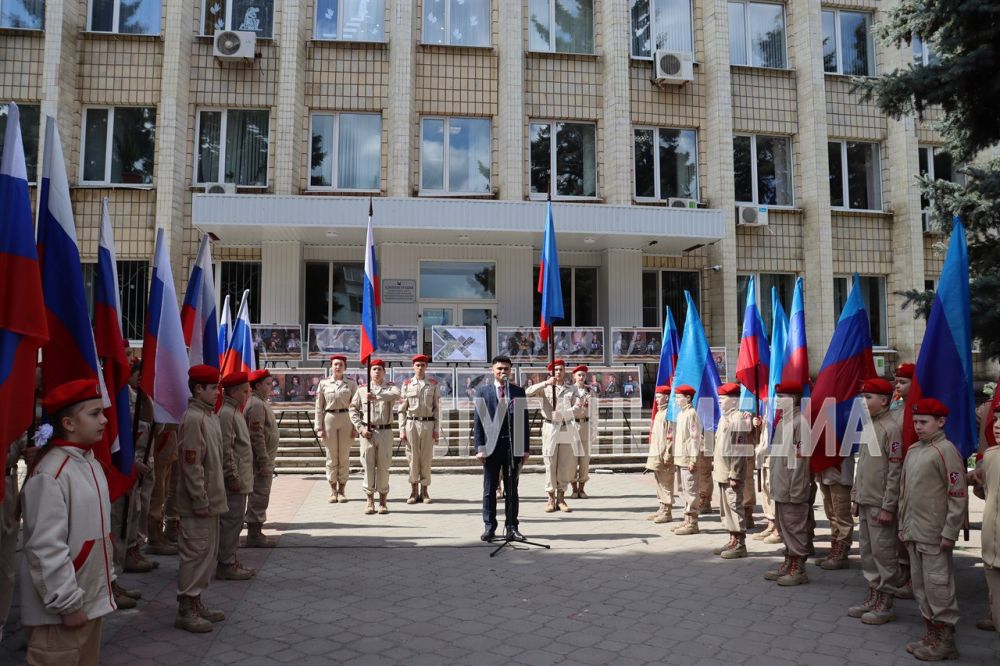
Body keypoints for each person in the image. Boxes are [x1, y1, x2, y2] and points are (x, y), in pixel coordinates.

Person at [20, 380, 115, 664]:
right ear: (69, 424)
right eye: (95, 413)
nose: (104, 419)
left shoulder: (89, 462)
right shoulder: (51, 473)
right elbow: (45, 547)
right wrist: (67, 602)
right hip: (61, 612)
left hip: (89, 600)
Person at [899, 398, 966, 661]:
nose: (918, 426)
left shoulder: (946, 450)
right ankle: (931, 634)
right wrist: (903, 525)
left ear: (940, 422)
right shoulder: (914, 450)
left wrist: (950, 531)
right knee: (921, 587)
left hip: (935, 535)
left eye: (924, 422)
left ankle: (946, 641)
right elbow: (904, 493)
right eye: (915, 421)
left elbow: (957, 494)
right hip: (914, 531)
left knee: (938, 587)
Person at [174, 364, 228, 633]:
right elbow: (191, 464)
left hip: (211, 500)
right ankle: (186, 609)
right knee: (195, 554)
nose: (217, 392)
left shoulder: (209, 416)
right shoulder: (194, 418)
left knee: (206, 554)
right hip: (198, 503)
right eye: (212, 388)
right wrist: (199, 498)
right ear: (198, 389)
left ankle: (196, 601)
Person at [848, 378, 905, 624]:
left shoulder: (891, 428)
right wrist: (855, 495)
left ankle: (886, 602)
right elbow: (862, 465)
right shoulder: (869, 425)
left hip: (880, 502)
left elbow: (895, 470)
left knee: (884, 553)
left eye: (868, 397)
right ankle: (873, 594)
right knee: (867, 552)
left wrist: (888, 505)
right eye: (862, 397)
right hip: (865, 499)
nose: (863, 401)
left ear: (884, 400)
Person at [474, 356, 531, 542]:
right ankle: (489, 527)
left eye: (506, 369)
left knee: (512, 489)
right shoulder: (483, 392)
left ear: (510, 371)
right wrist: (479, 448)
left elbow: (523, 420)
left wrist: (524, 448)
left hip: (512, 446)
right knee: (489, 489)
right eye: (499, 368)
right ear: (493, 370)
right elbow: (478, 422)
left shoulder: (517, 391)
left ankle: (512, 527)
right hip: (490, 447)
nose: (502, 372)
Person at [765, 381, 811, 586]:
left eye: (781, 397)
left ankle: (798, 568)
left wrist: (796, 488)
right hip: (782, 484)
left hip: (793, 487)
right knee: (785, 527)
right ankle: (789, 561)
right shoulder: (783, 422)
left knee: (794, 527)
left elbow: (801, 460)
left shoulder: (800, 423)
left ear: (793, 399)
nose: (777, 401)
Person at [527, 360, 584, 513]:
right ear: (550, 372)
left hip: (566, 427)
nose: (558, 372)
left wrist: (563, 414)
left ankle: (561, 498)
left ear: (565, 371)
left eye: (561, 369)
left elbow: (578, 408)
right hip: (550, 427)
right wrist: (545, 383)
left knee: (565, 464)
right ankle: (550, 498)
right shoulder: (544, 388)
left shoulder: (572, 389)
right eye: (555, 370)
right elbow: (527, 392)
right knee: (550, 462)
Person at [349, 359, 400, 515]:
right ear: (369, 372)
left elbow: (396, 394)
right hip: (368, 432)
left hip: (385, 431)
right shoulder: (362, 390)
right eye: (374, 369)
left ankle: (383, 501)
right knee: (368, 466)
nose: (377, 371)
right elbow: (353, 409)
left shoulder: (390, 387)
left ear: (384, 372)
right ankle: (370, 500)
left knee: (384, 467)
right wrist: (361, 428)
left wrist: (376, 396)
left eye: (379, 369)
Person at [217, 371, 255, 581]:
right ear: (232, 393)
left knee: (235, 521)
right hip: (234, 480)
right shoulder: (228, 414)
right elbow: (227, 449)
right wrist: (232, 476)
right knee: (231, 521)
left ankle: (229, 559)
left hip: (240, 476)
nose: (247, 395)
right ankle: (226, 563)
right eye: (244, 391)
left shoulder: (234, 412)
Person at [713, 383, 751, 559]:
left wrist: (735, 473)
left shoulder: (737, 420)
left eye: (723, 399)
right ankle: (732, 538)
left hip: (731, 473)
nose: (719, 402)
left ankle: (740, 544)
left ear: (734, 401)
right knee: (726, 509)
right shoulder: (725, 419)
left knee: (735, 507)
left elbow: (739, 450)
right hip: (722, 471)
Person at [972, 410, 1000, 637]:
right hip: (991, 545)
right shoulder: (991, 455)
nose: (997, 425)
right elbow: (986, 493)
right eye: (996, 419)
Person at [315, 355, 358, 503]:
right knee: (331, 456)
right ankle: (333, 490)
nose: (338, 367)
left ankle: (342, 490)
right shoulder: (324, 383)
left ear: (345, 367)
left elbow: (356, 406)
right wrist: (319, 427)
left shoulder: (351, 383)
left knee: (344, 456)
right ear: (331, 366)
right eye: (335, 364)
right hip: (329, 419)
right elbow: (319, 406)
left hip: (346, 418)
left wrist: (356, 426)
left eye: (341, 364)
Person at [244, 369, 280, 548]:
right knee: (259, 494)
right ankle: (254, 533)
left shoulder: (260, 402)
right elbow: (256, 435)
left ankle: (256, 530)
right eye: (267, 384)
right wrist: (263, 460)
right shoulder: (256, 404)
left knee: (261, 493)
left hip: (263, 458)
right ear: (257, 385)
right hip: (259, 460)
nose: (270, 387)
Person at [399, 354, 441, 504]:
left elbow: (436, 409)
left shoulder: (433, 384)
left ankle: (425, 491)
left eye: (423, 365)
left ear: (426, 367)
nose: (420, 368)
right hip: (412, 423)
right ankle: (413, 490)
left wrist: (436, 429)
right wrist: (401, 429)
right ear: (413, 367)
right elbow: (402, 410)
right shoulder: (407, 384)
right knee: (412, 458)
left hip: (428, 424)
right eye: (417, 365)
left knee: (426, 458)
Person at [672, 385, 704, 536]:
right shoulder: (681, 414)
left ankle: (693, 523)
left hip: (688, 459)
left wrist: (693, 459)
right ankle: (686, 519)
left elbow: (695, 438)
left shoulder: (692, 413)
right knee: (683, 490)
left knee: (691, 490)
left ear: (688, 398)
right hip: (680, 458)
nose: (676, 400)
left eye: (679, 397)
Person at [645, 385, 674, 524]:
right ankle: (662, 507)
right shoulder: (659, 413)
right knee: (658, 481)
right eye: (656, 397)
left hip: (664, 453)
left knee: (666, 482)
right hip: (656, 452)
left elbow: (670, 436)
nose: (656, 399)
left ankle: (667, 511)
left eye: (658, 397)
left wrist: (668, 453)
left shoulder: (669, 413)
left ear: (667, 397)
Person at [568, 365, 595, 499]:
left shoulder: (590, 391)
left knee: (584, 461)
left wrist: (594, 430)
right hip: (573, 425)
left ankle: (582, 489)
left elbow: (594, 412)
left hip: (586, 426)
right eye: (579, 375)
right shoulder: (569, 390)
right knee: (572, 460)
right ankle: (574, 489)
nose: (581, 377)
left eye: (583, 375)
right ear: (574, 376)